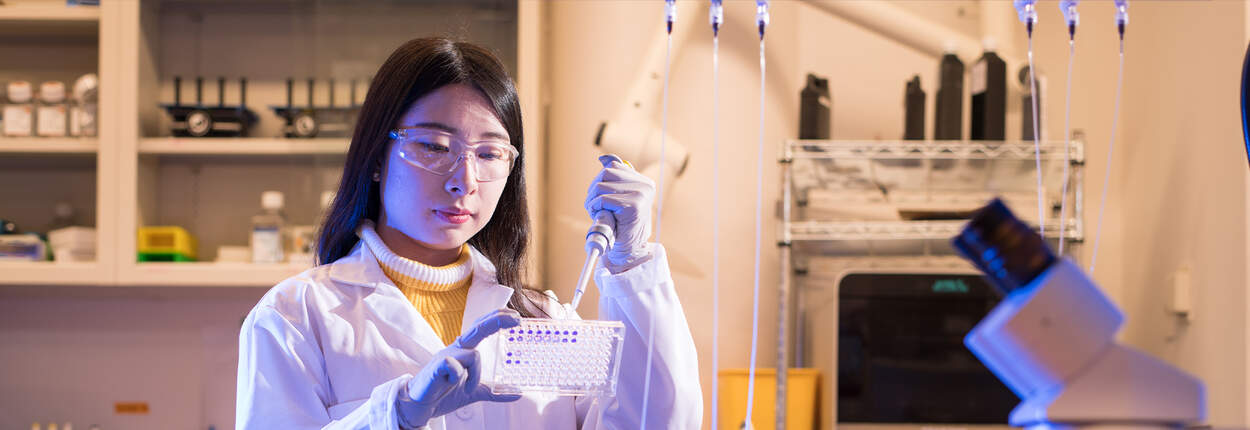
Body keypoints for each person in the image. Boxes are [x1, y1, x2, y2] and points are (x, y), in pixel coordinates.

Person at [235, 37, 702, 429]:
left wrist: (632, 261)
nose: (465, 179)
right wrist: (392, 415)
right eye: (436, 147)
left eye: (490, 153)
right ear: (377, 158)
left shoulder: (545, 321)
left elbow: (657, 422)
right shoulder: (295, 317)